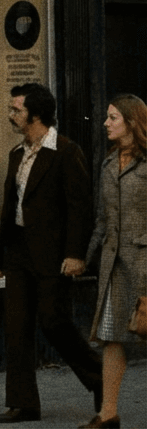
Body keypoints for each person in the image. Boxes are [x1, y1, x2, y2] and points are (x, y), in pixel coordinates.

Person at [0, 83, 101, 424]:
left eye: (17, 110)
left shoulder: (66, 152)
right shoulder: (17, 153)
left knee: (54, 321)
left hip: (53, 254)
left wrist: (76, 254)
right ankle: (23, 402)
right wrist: (2, 256)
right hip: (18, 251)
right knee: (16, 326)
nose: (11, 115)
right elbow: (10, 209)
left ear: (36, 115)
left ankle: (100, 377)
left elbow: (80, 208)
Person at [82, 94, 147, 429]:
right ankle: (108, 414)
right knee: (111, 336)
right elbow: (102, 220)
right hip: (116, 266)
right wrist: (85, 258)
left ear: (132, 122)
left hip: (144, 263)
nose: (106, 123)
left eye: (113, 117)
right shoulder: (108, 164)